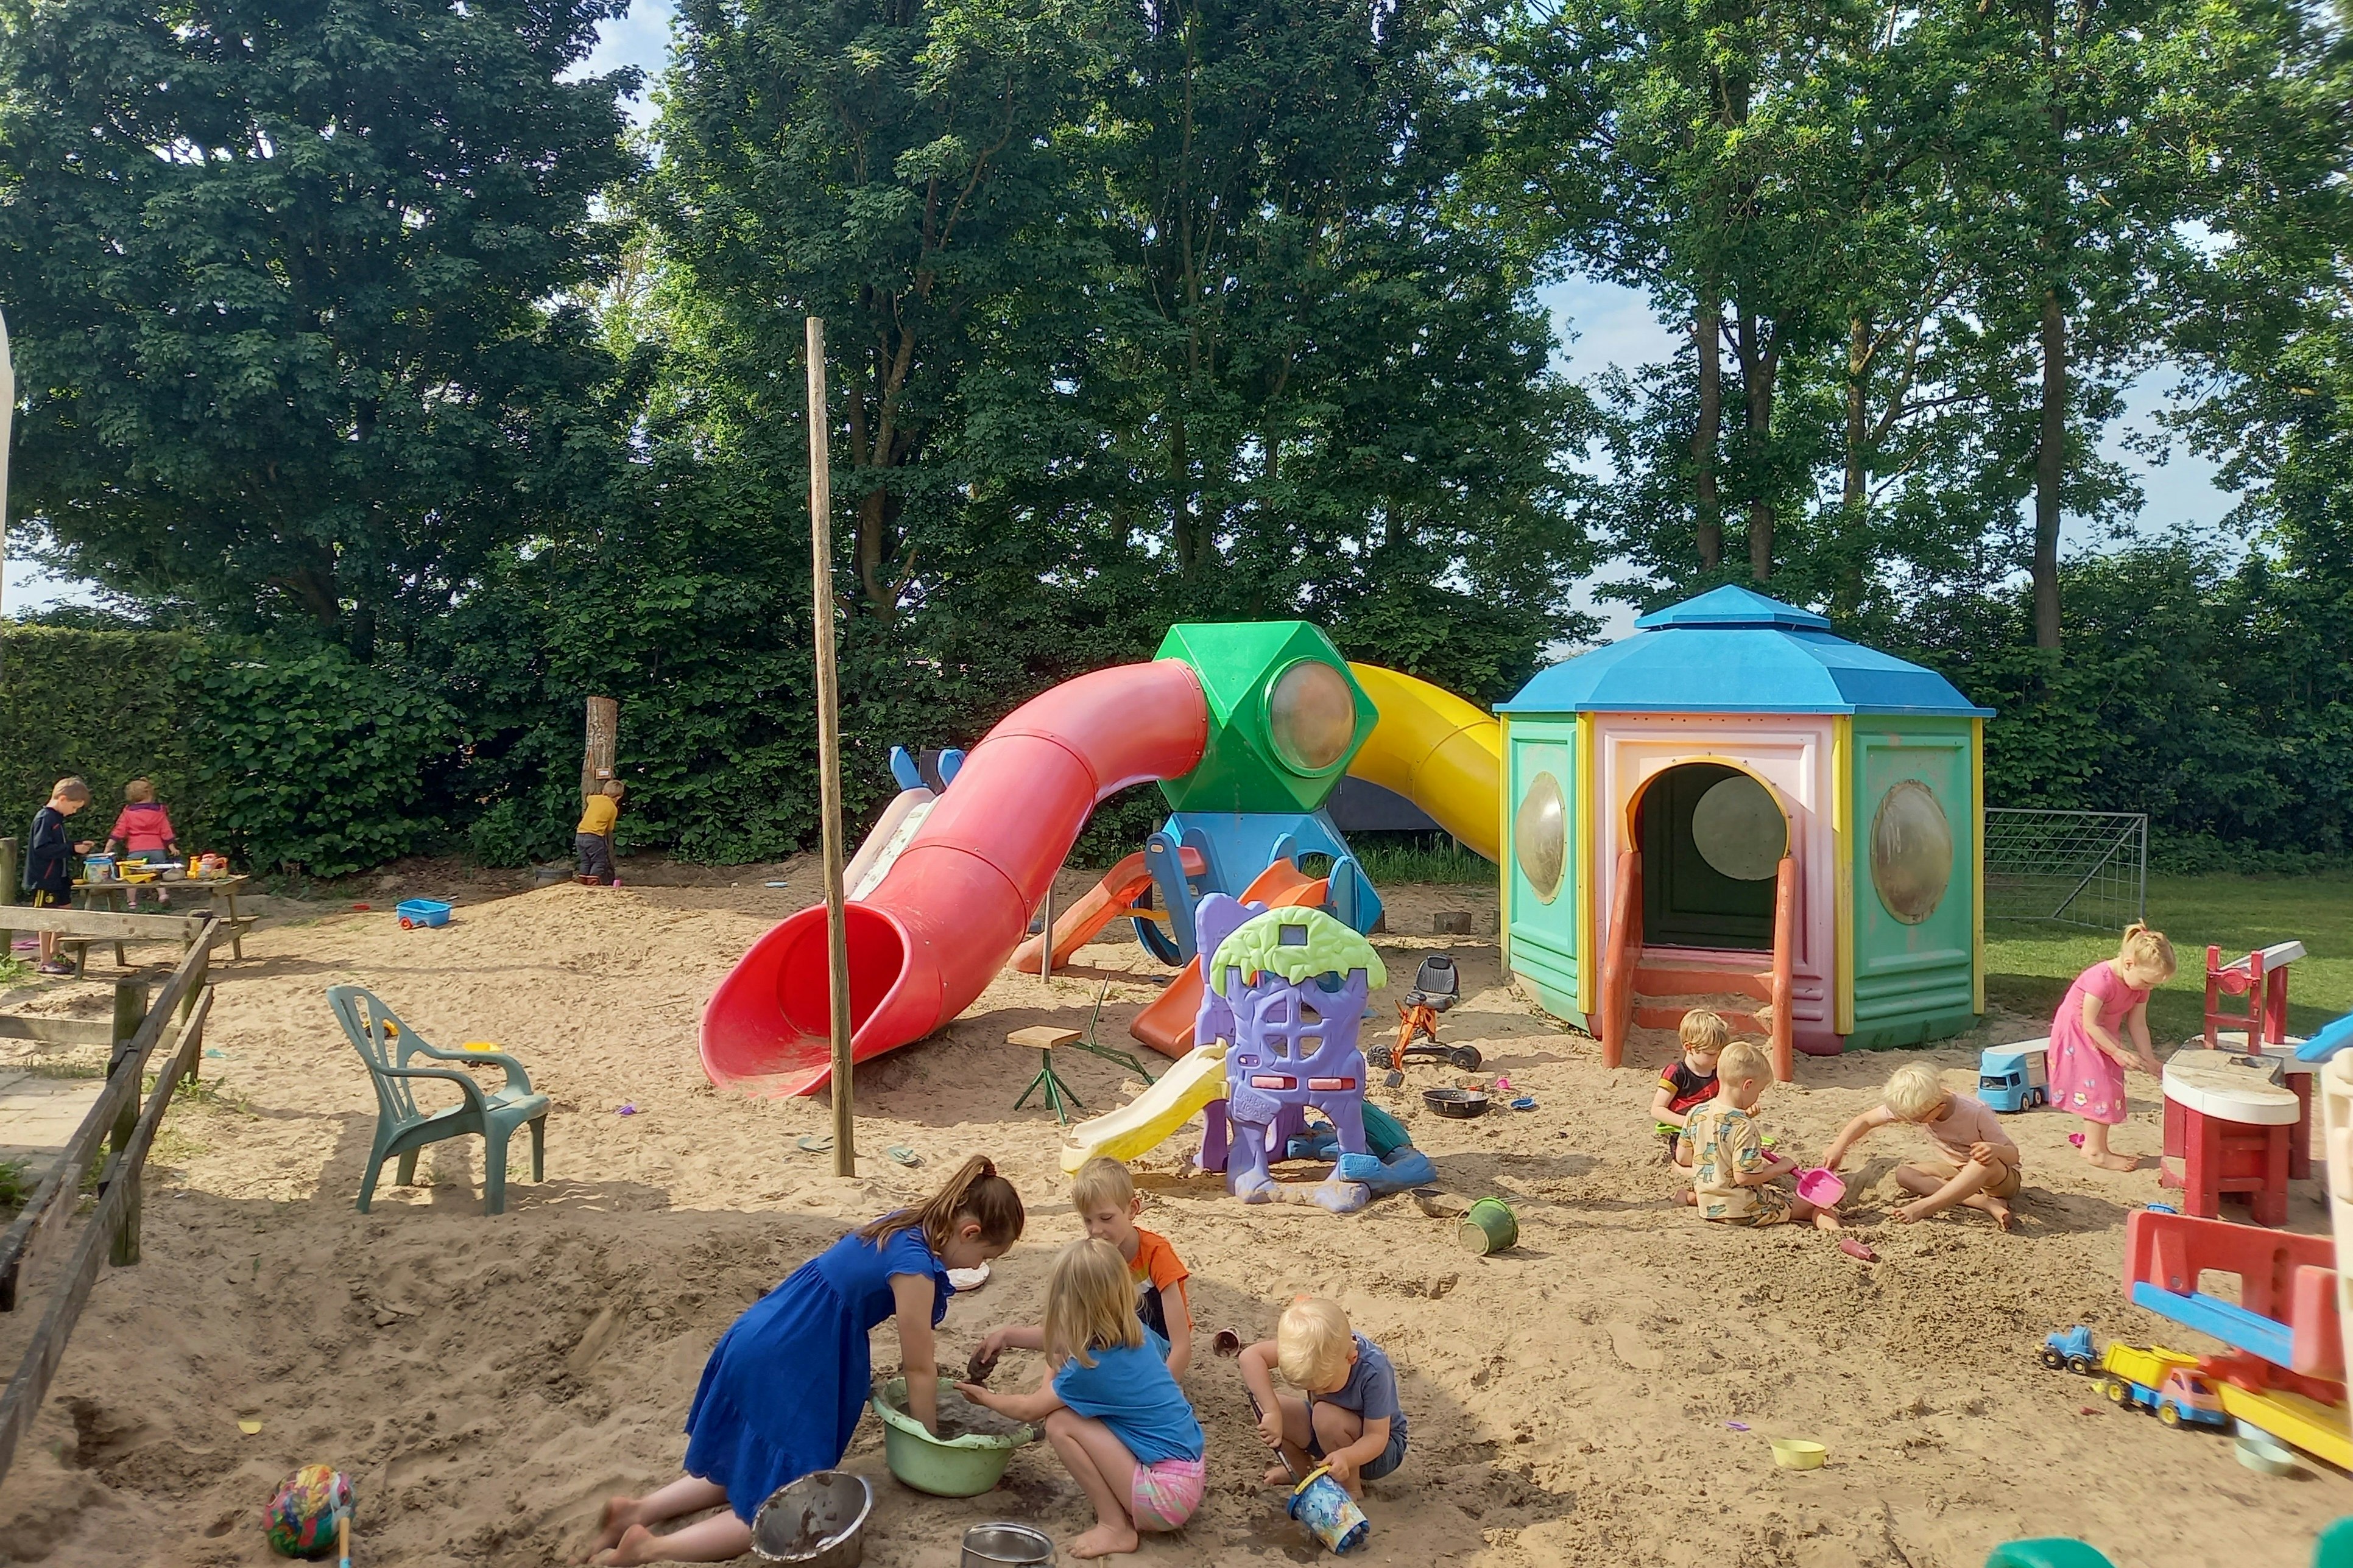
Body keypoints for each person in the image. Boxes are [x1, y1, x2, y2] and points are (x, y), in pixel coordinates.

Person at [575, 1156, 1025, 1566]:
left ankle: (638, 1510)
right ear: (969, 1232)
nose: (976, 1265)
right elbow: (919, 1367)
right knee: (786, 1503)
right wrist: (929, 1437)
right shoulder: (914, 1269)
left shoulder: (902, 1224)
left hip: (763, 1331)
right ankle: (649, 1548)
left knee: (749, 1457)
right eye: (983, 1256)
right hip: (792, 1358)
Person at [958, 1239, 1205, 1559]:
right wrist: (1007, 1336)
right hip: (1187, 1476)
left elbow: (1029, 1408)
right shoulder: (1134, 1333)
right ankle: (1121, 1514)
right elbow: (1061, 1339)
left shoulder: (1089, 1371)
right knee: (1078, 1404)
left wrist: (985, 1398)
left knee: (1060, 1422)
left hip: (1163, 1500)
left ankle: (1116, 1527)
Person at [975, 1158, 1194, 1382]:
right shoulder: (1093, 1258)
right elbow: (1069, 1333)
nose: (1096, 1230)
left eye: (1106, 1218)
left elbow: (1181, 1347)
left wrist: (1160, 1394)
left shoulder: (1157, 1254)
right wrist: (1007, 1336)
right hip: (1113, 1343)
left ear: (1132, 1209)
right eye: (1088, 1221)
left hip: (1156, 1352)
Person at [1236, 1295, 1408, 1499]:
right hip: (1328, 1438)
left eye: (1324, 1385)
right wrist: (1272, 1411)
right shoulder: (1312, 1345)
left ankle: (1351, 1489)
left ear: (1351, 1359)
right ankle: (1305, 1476)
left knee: (1325, 1414)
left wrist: (1347, 1457)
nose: (1320, 1393)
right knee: (1266, 1409)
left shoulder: (1374, 1370)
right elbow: (1250, 1357)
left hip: (1377, 1451)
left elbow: (1377, 1437)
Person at [1821, 1063, 2023, 1229]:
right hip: (1957, 1168)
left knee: (1980, 1162)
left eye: (1917, 1120)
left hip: (1998, 1180)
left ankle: (1926, 1207)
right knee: (1904, 1174)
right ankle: (1982, 1203)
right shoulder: (1920, 1105)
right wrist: (1839, 1146)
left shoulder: (1976, 1112)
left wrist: (1994, 1150)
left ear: (1939, 1108)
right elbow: (1865, 1121)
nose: (1914, 1123)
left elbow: (2013, 1156)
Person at [2045, 923, 2175, 1171]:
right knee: (2098, 1086)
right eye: (2147, 982)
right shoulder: (2100, 980)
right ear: (2129, 964)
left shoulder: (2139, 985)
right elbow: (2090, 1023)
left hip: (2104, 1032)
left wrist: (2148, 1057)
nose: (2149, 988)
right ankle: (2095, 1151)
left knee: (2109, 1083)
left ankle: (2095, 1145)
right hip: (2079, 1034)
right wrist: (2117, 1051)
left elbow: (2138, 1024)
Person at [1677, 1041, 1841, 1232]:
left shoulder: (1696, 1113)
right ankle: (1836, 1233)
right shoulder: (1744, 1126)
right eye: (1759, 1091)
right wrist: (1781, 1167)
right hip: (1744, 1210)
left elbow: (1683, 1158)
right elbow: (1744, 1177)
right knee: (1817, 1206)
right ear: (1748, 1085)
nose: (1758, 1097)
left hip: (1709, 1206)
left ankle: (1688, 1197)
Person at [23, 778, 94, 977]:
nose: (74, 811)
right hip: (44, 879)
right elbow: (42, 848)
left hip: (59, 877)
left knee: (65, 912)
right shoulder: (45, 818)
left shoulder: (56, 819)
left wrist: (75, 846)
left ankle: (56, 952)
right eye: (74, 807)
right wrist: (72, 848)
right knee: (46, 918)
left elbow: (57, 848)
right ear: (62, 799)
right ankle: (45, 961)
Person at [1650, 1009, 1726, 1159]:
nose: (1717, 1058)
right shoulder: (1677, 1073)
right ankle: (1679, 1169)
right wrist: (1687, 1122)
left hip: (1713, 1132)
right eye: (1711, 1054)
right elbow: (1657, 1109)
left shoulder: (1719, 1070)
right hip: (1684, 1135)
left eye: (1720, 1052)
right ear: (1689, 1048)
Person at [576, 779, 624, 887]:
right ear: (619, 797)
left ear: (603, 791)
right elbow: (610, 828)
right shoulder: (613, 808)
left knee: (585, 861)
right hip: (594, 837)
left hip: (580, 835)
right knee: (599, 861)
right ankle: (593, 884)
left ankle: (582, 884)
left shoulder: (595, 799)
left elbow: (588, 798)